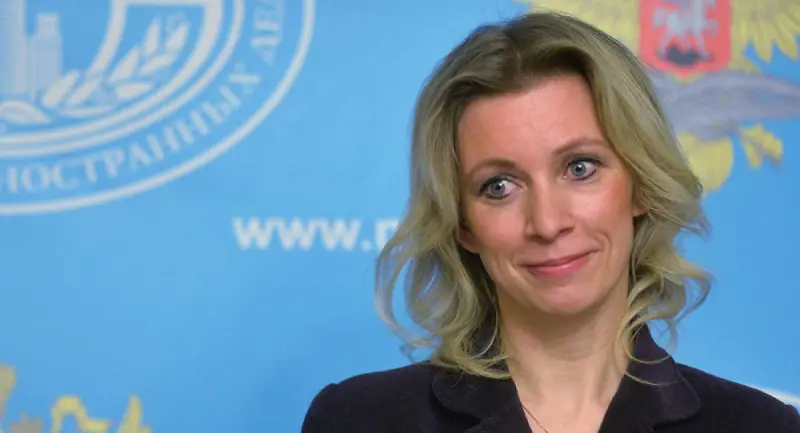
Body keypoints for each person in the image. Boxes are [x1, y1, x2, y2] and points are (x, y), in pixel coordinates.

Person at [301, 11, 800, 433]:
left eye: (580, 168)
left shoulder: (758, 425)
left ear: (639, 185)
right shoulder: (359, 420)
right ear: (462, 224)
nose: (546, 222)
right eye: (499, 186)